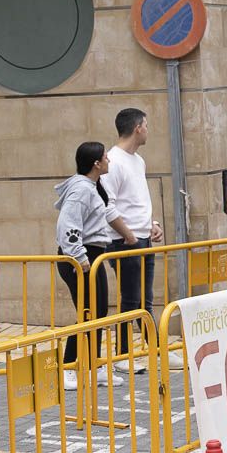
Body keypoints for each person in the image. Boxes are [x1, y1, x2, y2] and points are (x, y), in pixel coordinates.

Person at [54, 142, 137, 390]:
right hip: (81, 258)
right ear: (96, 164)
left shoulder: (93, 186)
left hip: (94, 255)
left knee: (98, 312)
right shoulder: (81, 189)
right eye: (105, 158)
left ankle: (93, 366)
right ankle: (68, 367)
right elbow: (67, 226)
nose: (109, 161)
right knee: (87, 312)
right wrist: (80, 258)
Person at [104, 108, 165, 372]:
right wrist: (128, 234)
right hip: (125, 241)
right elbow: (108, 206)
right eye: (147, 126)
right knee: (131, 300)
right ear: (138, 128)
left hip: (142, 238)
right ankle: (123, 357)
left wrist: (151, 225)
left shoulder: (138, 160)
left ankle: (157, 351)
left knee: (144, 300)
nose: (148, 131)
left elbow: (136, 201)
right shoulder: (113, 161)